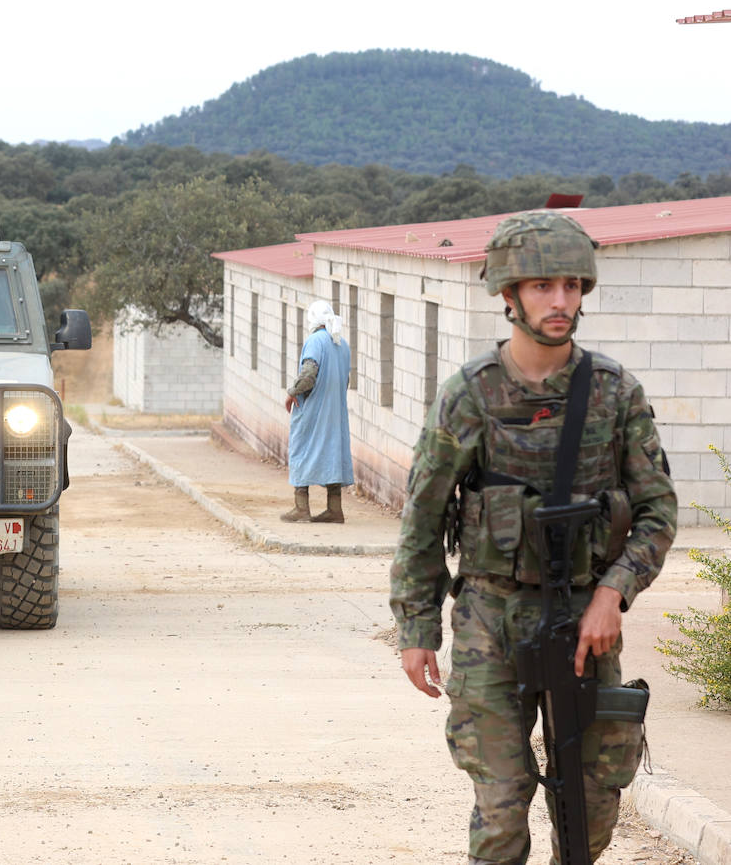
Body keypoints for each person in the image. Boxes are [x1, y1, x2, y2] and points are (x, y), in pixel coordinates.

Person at [389, 210, 677, 864]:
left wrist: (613, 593)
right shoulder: (467, 398)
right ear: (509, 294)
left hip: (584, 620)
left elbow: (658, 513)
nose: (561, 301)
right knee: (501, 806)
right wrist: (416, 630)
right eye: (544, 286)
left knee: (590, 811)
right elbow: (422, 523)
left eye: (573, 286)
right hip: (490, 618)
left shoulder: (614, 393)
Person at [281, 299, 354, 522]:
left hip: (312, 410)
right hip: (335, 412)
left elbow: (309, 374)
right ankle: (335, 509)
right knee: (332, 453)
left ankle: (301, 508)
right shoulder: (341, 344)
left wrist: (292, 391)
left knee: (301, 449)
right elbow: (346, 379)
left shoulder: (314, 341)